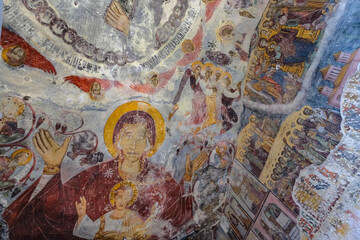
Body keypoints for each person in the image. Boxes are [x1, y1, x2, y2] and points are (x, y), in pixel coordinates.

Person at [3, 101, 208, 239]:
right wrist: (51, 168)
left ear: (150, 143)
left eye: (141, 137)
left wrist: (188, 178)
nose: (134, 144)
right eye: (128, 135)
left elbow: (178, 215)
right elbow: (57, 211)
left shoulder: (160, 178)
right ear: (116, 139)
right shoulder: (96, 174)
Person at [74, 181, 154, 239]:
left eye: (126, 198)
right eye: (119, 197)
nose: (122, 201)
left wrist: (152, 218)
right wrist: (82, 216)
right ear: (114, 198)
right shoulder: (106, 218)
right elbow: (90, 232)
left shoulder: (132, 217)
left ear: (129, 201)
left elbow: (144, 234)